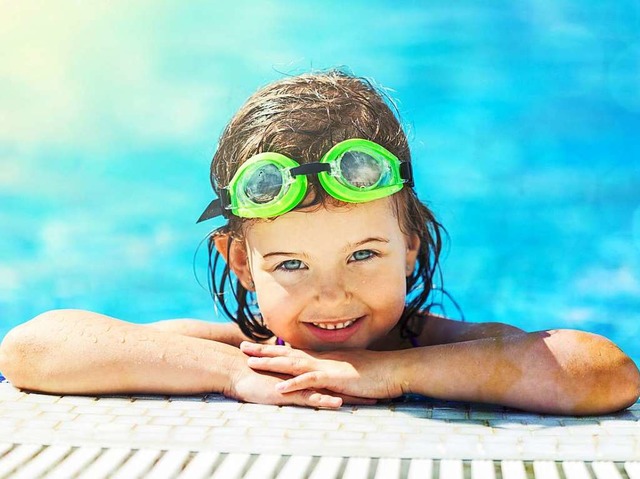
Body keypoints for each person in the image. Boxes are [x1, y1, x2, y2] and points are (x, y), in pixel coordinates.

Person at [0, 70, 638, 415]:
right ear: (242, 264)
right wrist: (231, 374)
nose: (331, 293)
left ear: (411, 245)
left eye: (364, 254)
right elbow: (30, 348)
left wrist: (385, 373)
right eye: (291, 264)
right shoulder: (249, 354)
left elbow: (605, 372)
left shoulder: (439, 347)